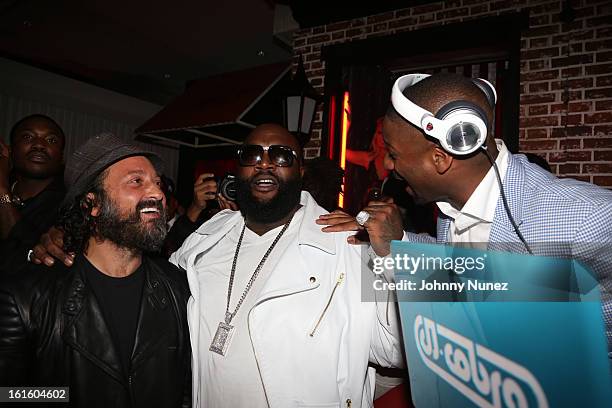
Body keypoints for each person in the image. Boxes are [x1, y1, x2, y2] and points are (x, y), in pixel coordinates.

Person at [317, 72, 612, 356]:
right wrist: (396, 242)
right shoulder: (452, 209)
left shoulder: (588, 217)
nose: (387, 165)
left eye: (393, 154)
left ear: (440, 159)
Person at [170, 124, 403, 407]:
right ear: (238, 169)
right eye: (252, 155)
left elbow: (396, 349)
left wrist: (392, 253)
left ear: (300, 172)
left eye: (282, 156)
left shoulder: (350, 245)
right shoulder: (209, 236)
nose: (265, 163)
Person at [0, 133, 191, 407]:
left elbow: (185, 389)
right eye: (137, 181)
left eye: (158, 184)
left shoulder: (179, 289)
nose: (158, 194)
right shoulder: (25, 297)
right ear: (92, 204)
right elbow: (8, 395)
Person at [0, 114, 66, 274]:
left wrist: (1, 189)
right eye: (28, 137)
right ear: (10, 151)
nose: (39, 145)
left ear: (61, 158)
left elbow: (30, 251)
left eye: (51, 140)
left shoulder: (70, 207)